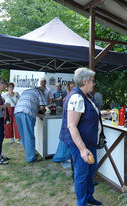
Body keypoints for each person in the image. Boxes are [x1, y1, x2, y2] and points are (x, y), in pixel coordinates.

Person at [59, 67, 102, 206]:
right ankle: (82, 203)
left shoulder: (87, 96)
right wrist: (83, 149)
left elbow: (88, 114)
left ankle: (89, 197)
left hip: (89, 142)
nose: (94, 83)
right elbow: (72, 126)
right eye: (92, 81)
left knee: (90, 171)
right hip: (80, 144)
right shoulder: (77, 97)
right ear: (85, 81)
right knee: (82, 174)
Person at [14, 86, 46, 163]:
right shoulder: (39, 92)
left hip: (17, 111)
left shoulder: (26, 91)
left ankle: (29, 153)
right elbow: (42, 107)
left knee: (24, 135)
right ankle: (31, 158)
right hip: (27, 112)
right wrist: (43, 112)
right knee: (29, 135)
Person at [52, 81, 75, 163]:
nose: (73, 88)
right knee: (66, 138)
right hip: (67, 119)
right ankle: (66, 156)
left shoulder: (69, 95)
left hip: (68, 118)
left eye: (74, 87)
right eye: (71, 87)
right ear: (68, 87)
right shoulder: (70, 96)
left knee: (67, 138)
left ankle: (66, 156)